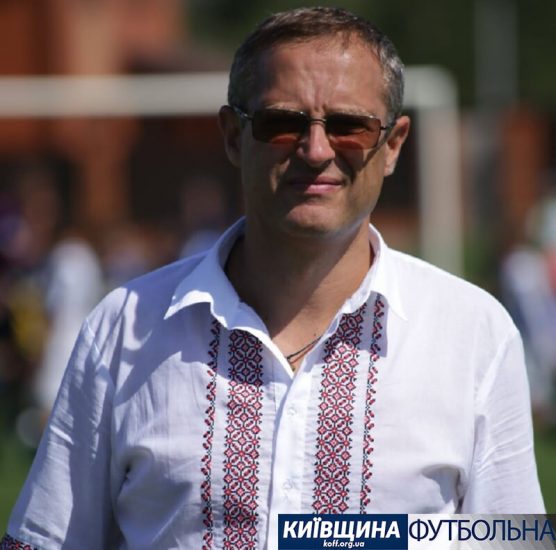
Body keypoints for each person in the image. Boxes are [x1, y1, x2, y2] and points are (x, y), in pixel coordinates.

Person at [2, 6, 545, 549]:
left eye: (349, 126)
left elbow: (511, 541)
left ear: (393, 145)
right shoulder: (125, 329)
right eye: (282, 123)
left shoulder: (472, 334)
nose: (316, 150)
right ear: (233, 136)